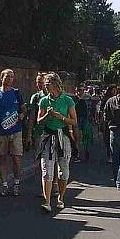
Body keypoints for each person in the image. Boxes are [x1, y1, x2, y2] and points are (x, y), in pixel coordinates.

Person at [37, 72, 77, 211]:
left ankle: (60, 197)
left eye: (47, 85)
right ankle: (47, 202)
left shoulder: (67, 100)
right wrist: (47, 115)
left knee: (63, 171)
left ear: (54, 84)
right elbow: (39, 121)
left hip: (63, 136)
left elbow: (74, 121)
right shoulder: (44, 100)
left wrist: (61, 117)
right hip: (48, 136)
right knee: (46, 171)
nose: (45, 88)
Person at [0, 68, 26, 197]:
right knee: (1, 158)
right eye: (7, 76)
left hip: (15, 130)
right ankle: (4, 185)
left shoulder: (16, 93)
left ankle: (17, 183)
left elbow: (23, 108)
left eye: (12, 77)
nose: (9, 79)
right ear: (1, 78)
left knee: (16, 158)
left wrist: (22, 115)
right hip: (0, 131)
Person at [100, 85, 117, 163]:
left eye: (115, 90)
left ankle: (112, 154)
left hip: (114, 122)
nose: (115, 92)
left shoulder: (116, 99)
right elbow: (102, 111)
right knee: (107, 139)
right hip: (107, 122)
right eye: (113, 90)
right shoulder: (107, 99)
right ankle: (109, 154)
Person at [73, 85, 90, 162]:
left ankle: (86, 152)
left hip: (85, 119)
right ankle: (77, 155)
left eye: (82, 90)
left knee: (86, 137)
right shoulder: (74, 100)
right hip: (76, 119)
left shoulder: (87, 99)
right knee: (77, 138)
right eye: (78, 90)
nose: (80, 92)